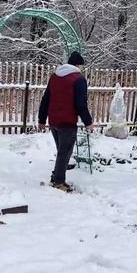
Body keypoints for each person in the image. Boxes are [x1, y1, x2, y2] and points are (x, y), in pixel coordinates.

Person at [38, 51, 94, 192]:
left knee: (62, 152)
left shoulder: (55, 76)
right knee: (65, 152)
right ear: (78, 65)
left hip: (54, 121)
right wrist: (88, 122)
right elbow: (81, 104)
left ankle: (56, 176)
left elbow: (46, 99)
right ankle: (58, 181)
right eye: (81, 66)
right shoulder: (78, 79)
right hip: (67, 122)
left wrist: (42, 119)